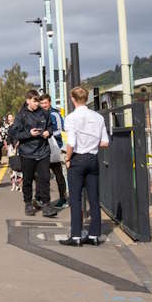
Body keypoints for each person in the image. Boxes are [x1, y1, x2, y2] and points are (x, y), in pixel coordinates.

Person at [59, 86, 109, 246]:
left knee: (75, 198)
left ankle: (75, 236)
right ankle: (94, 235)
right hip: (93, 159)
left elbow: (71, 142)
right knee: (94, 199)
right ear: (86, 99)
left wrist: (67, 158)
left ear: (72, 99)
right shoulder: (98, 118)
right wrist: (91, 143)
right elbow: (105, 142)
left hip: (77, 159)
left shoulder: (71, 118)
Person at [10, 89, 57, 217]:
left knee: (45, 179)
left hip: (43, 151)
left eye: (38, 101)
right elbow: (14, 133)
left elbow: (51, 127)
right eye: (34, 101)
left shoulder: (45, 113)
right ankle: (28, 203)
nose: (37, 104)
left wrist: (49, 132)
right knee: (28, 180)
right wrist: (29, 134)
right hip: (27, 152)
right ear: (28, 101)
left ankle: (47, 205)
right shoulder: (21, 115)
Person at [40, 94, 68, 208]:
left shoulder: (55, 114)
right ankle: (43, 199)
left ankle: (63, 199)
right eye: (41, 103)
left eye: (45, 103)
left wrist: (48, 134)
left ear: (49, 102)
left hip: (55, 148)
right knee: (42, 176)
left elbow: (61, 131)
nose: (43, 105)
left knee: (58, 175)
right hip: (43, 149)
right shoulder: (38, 114)